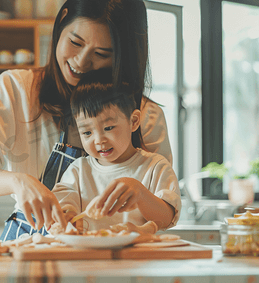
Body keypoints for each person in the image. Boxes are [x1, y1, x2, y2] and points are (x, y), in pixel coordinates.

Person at [0, 0, 173, 241]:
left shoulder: (144, 114)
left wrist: (139, 194)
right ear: (61, 21)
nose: (81, 61)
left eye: (101, 54)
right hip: (30, 243)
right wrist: (19, 181)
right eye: (75, 42)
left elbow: (164, 216)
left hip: (111, 254)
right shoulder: (17, 88)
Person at [51, 69, 181, 232]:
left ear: (133, 121)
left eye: (109, 127)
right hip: (90, 256)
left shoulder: (155, 166)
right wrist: (66, 215)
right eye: (87, 133)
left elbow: (167, 219)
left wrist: (140, 193)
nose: (99, 140)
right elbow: (63, 205)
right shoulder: (78, 171)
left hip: (141, 255)